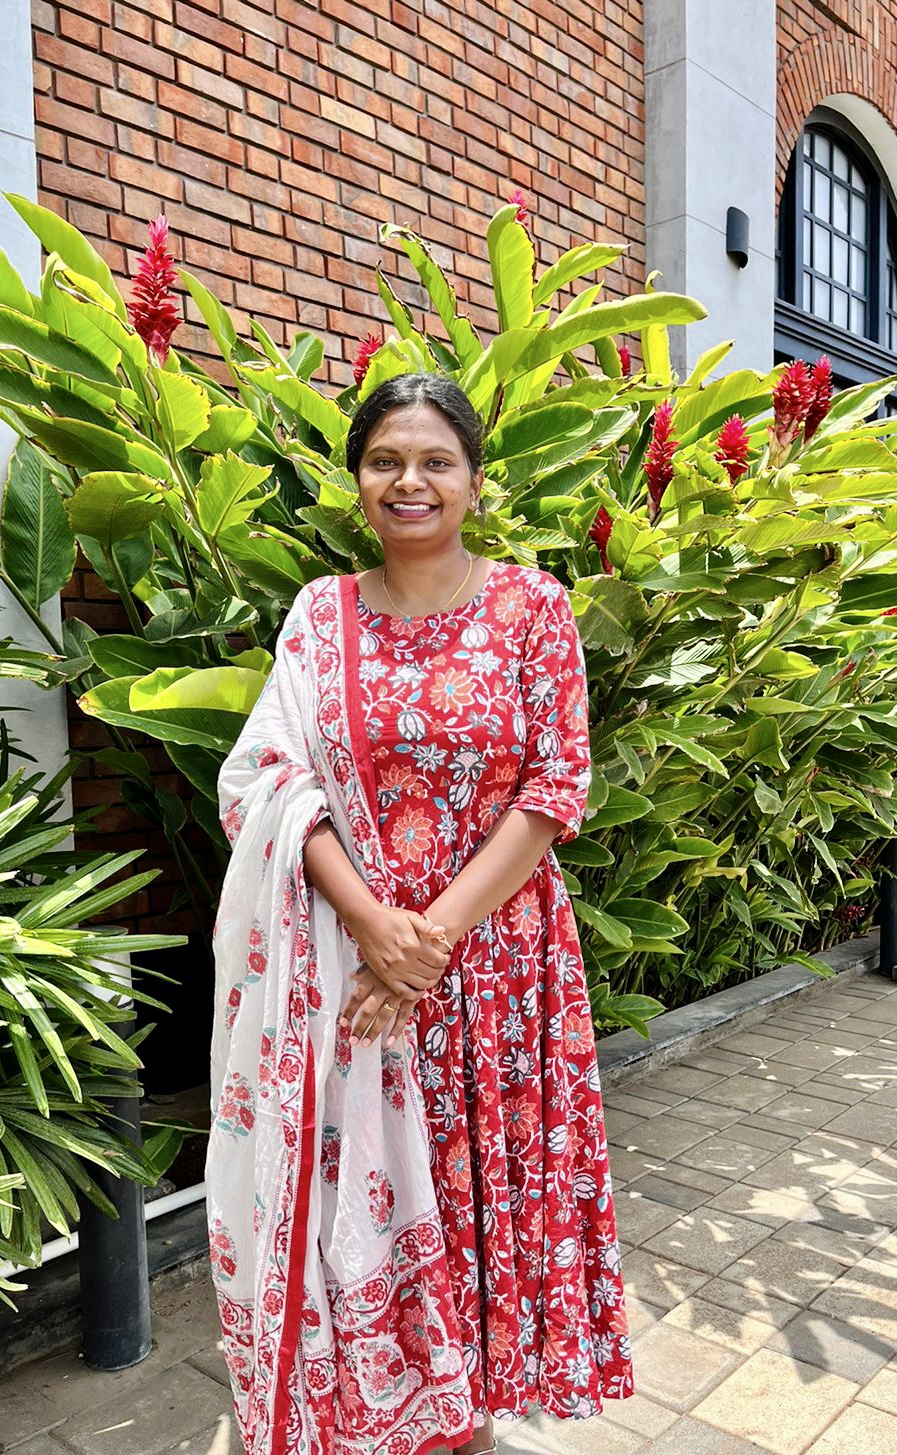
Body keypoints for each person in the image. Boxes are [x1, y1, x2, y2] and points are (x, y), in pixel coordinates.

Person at [205, 373, 633, 1455]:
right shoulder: (321, 614)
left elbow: (555, 789)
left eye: (436, 460)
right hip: (349, 969)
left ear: (475, 483)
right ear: (358, 481)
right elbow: (266, 778)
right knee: (370, 1197)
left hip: (497, 971)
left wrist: (422, 942)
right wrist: (369, 924)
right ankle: (382, 1411)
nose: (411, 480)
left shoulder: (531, 605)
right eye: (385, 460)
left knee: (480, 1190)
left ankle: (464, 1414)